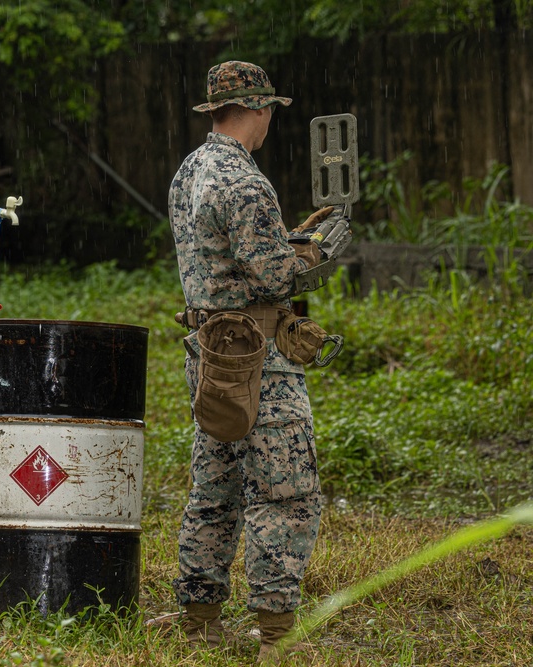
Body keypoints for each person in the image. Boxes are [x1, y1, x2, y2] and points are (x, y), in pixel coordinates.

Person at [164, 61, 331, 664]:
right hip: (260, 357)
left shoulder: (191, 171)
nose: (269, 124)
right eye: (269, 114)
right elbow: (273, 273)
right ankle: (277, 634)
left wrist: (283, 240)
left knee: (216, 485)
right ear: (258, 110)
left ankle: (199, 618)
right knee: (285, 491)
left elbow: (223, 256)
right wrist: (316, 252)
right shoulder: (245, 180)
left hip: (210, 351)